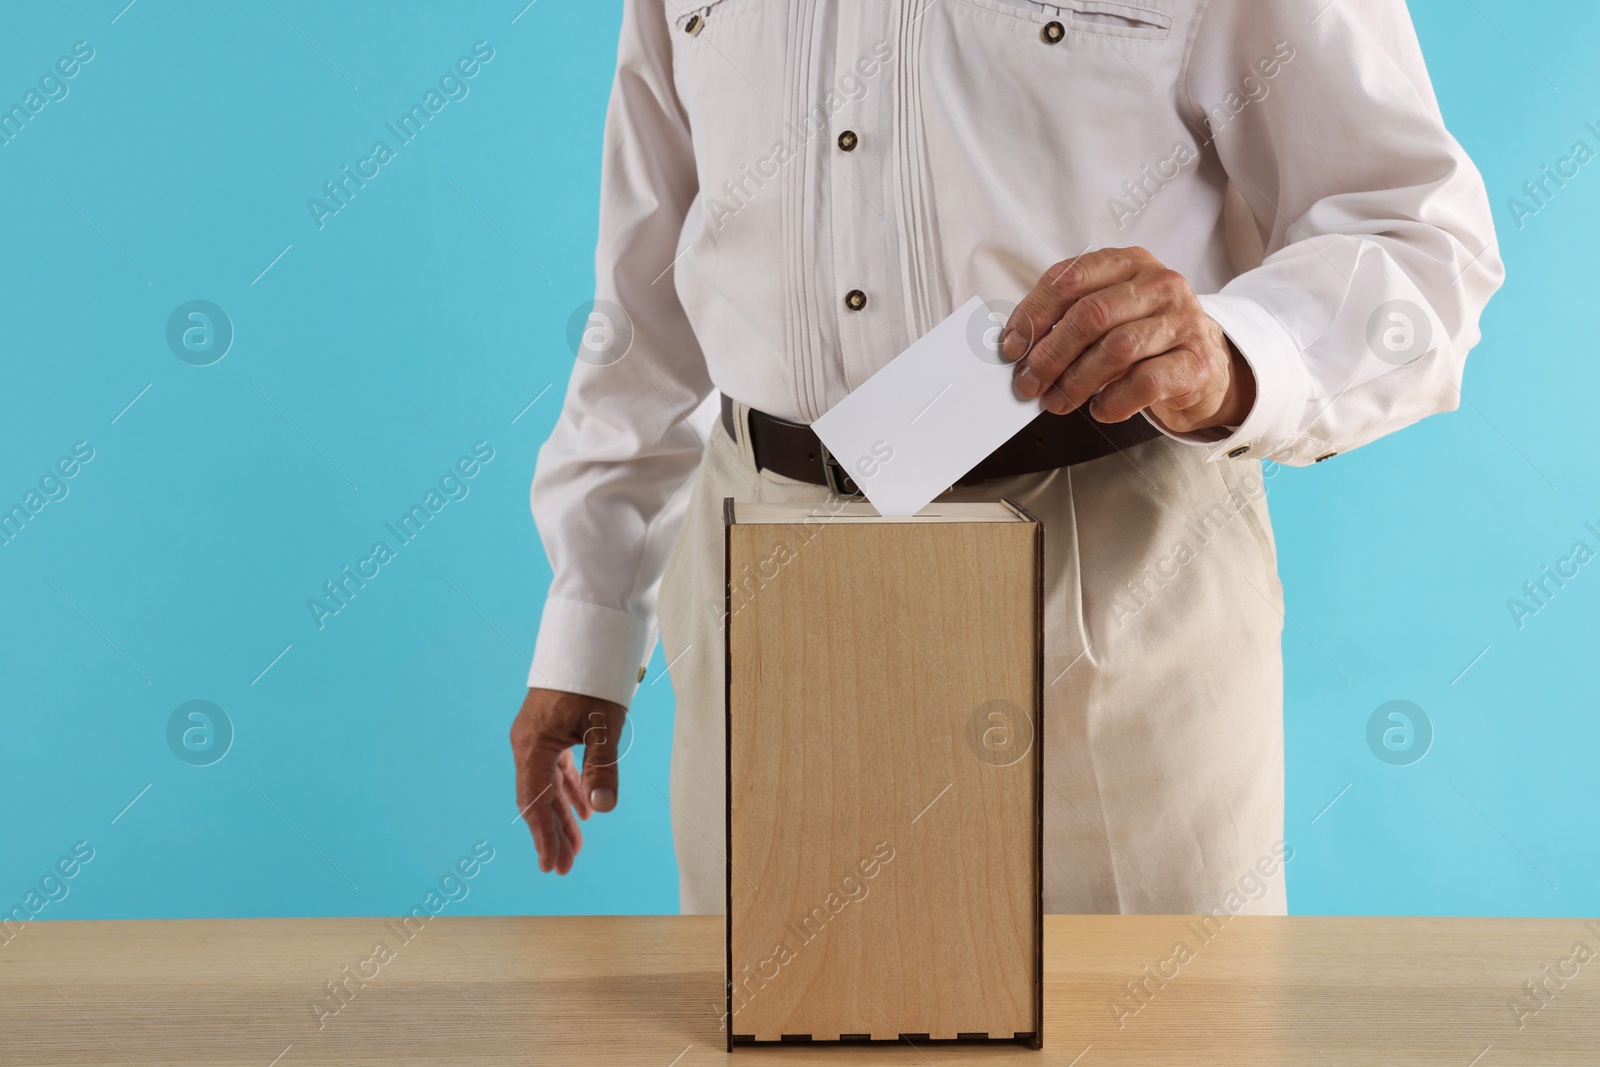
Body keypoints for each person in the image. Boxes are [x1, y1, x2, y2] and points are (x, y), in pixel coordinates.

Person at [510, 0, 1501, 915]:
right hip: (761, 587)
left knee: (1153, 1035)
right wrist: (590, 619)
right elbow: (642, 303)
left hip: (1109, 594)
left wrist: (1233, 354)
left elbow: (1416, 238)